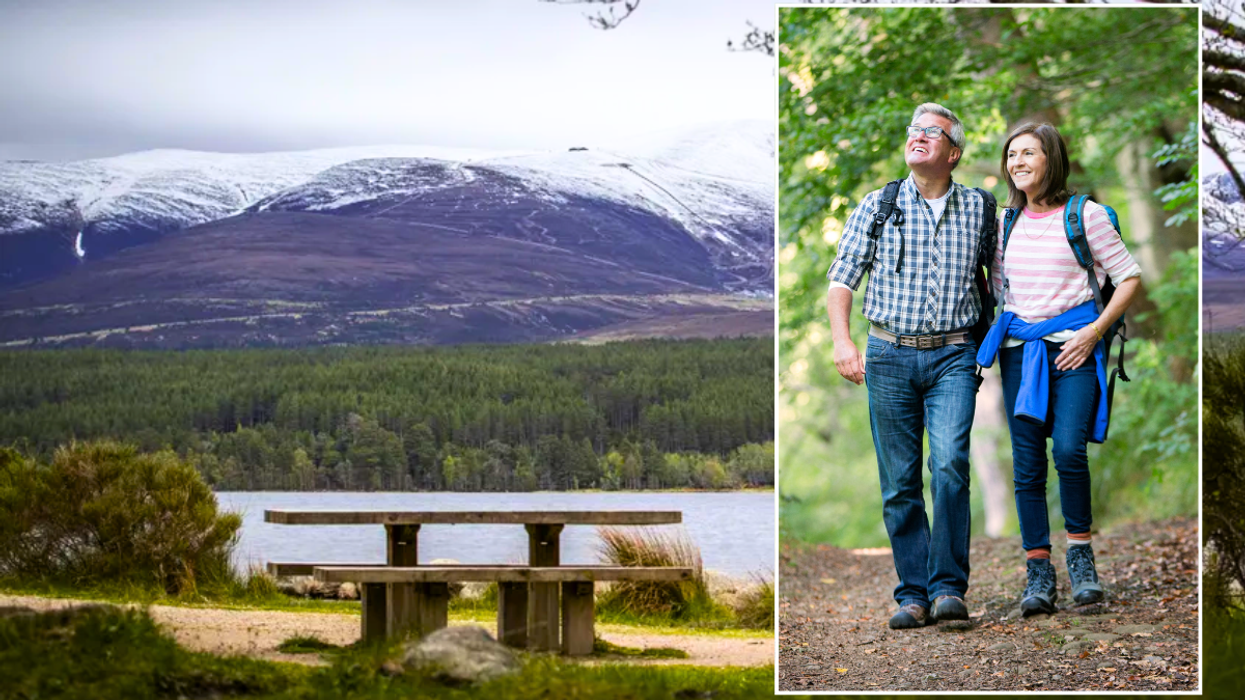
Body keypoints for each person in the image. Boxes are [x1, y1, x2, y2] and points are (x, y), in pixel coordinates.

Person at [827, 103, 994, 629]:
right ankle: (912, 595)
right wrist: (841, 341)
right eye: (914, 131)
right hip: (888, 355)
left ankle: (948, 589)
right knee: (899, 482)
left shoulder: (982, 209)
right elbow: (841, 279)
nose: (919, 138)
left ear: (954, 152)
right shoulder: (877, 205)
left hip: (954, 355)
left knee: (948, 466)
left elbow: (1005, 281)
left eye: (932, 132)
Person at [976, 123, 1141, 616]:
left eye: (1028, 152)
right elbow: (999, 289)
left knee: (1069, 448)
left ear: (1052, 158)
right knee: (1027, 467)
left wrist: (1094, 332)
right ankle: (1038, 573)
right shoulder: (1006, 221)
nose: (1017, 162)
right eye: (1011, 155)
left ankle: (1082, 558)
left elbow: (1128, 277)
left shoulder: (1085, 216)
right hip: (1020, 352)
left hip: (1075, 347)